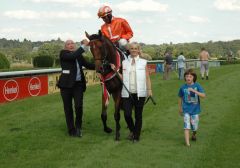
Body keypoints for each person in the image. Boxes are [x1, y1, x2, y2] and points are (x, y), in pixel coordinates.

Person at [114, 42, 152, 142]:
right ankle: (133, 131)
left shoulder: (144, 62)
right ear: (129, 50)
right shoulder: (124, 63)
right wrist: (116, 71)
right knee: (127, 114)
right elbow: (123, 78)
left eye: (136, 48)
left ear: (138, 50)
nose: (134, 50)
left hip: (140, 93)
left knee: (138, 116)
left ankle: (136, 136)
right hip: (127, 93)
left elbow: (147, 77)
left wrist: (149, 90)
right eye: (132, 48)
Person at [57, 39, 95, 137]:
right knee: (68, 108)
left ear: (74, 45)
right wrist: (84, 46)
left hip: (78, 85)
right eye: (68, 44)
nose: (71, 45)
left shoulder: (78, 55)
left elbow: (88, 65)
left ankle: (78, 126)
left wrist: (103, 65)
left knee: (78, 106)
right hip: (65, 86)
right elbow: (72, 56)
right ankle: (71, 129)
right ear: (65, 46)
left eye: (72, 43)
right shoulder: (63, 54)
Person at [178, 69, 206, 146]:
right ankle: (187, 143)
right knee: (186, 126)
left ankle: (194, 134)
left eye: (190, 76)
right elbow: (180, 97)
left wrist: (194, 91)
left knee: (194, 126)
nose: (188, 78)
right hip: (186, 110)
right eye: (187, 76)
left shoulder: (197, 86)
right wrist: (180, 108)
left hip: (195, 110)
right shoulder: (183, 87)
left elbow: (203, 96)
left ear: (193, 77)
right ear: (185, 78)